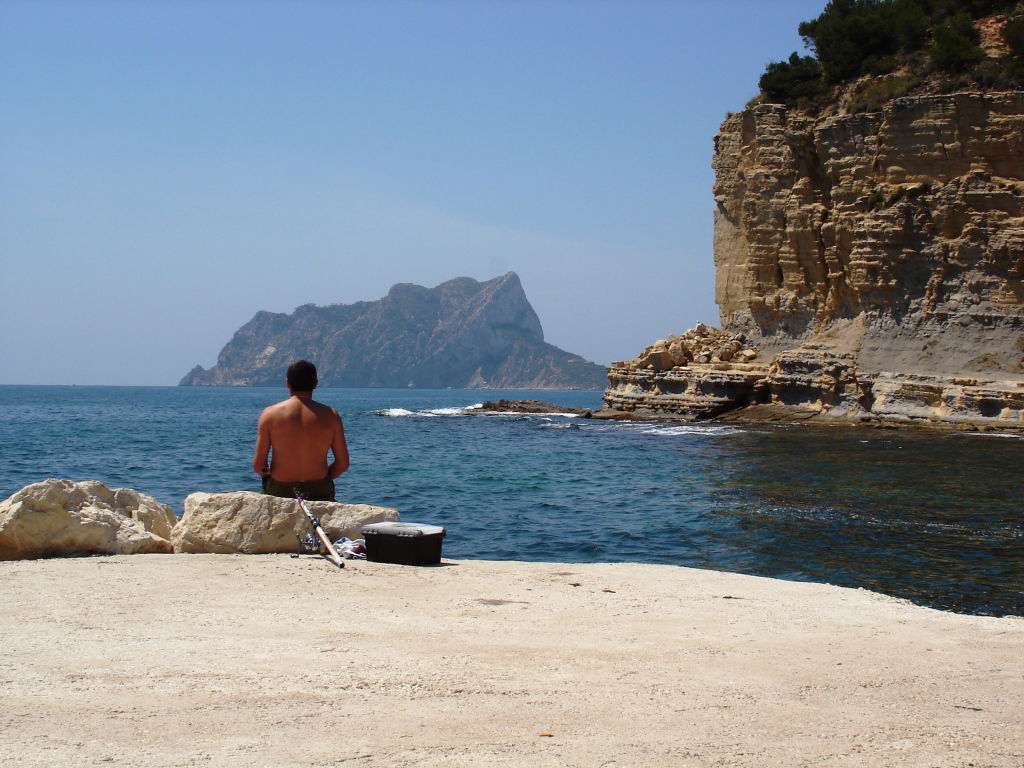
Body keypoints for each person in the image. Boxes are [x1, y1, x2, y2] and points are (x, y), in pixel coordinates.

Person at [252, 360, 349, 502]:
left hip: (280, 489)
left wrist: (268, 473)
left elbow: (258, 466)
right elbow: (343, 463)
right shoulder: (331, 415)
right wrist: (324, 478)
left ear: (288, 383)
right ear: (315, 384)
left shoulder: (269, 414)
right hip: (319, 489)